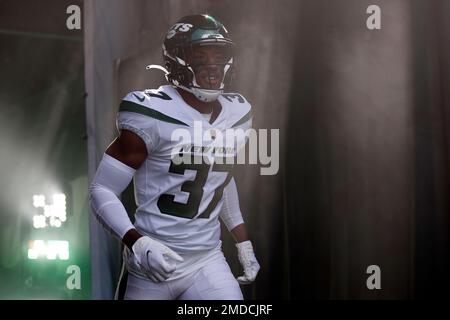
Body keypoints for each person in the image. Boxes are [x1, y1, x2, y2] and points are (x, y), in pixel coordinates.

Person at [89, 14, 260, 300]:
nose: (213, 65)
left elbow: (218, 177)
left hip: (206, 259)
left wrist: (242, 240)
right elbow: (102, 188)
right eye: (201, 55)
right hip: (152, 263)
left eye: (218, 54)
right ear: (176, 60)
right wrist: (137, 242)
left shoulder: (238, 113)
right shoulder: (151, 112)